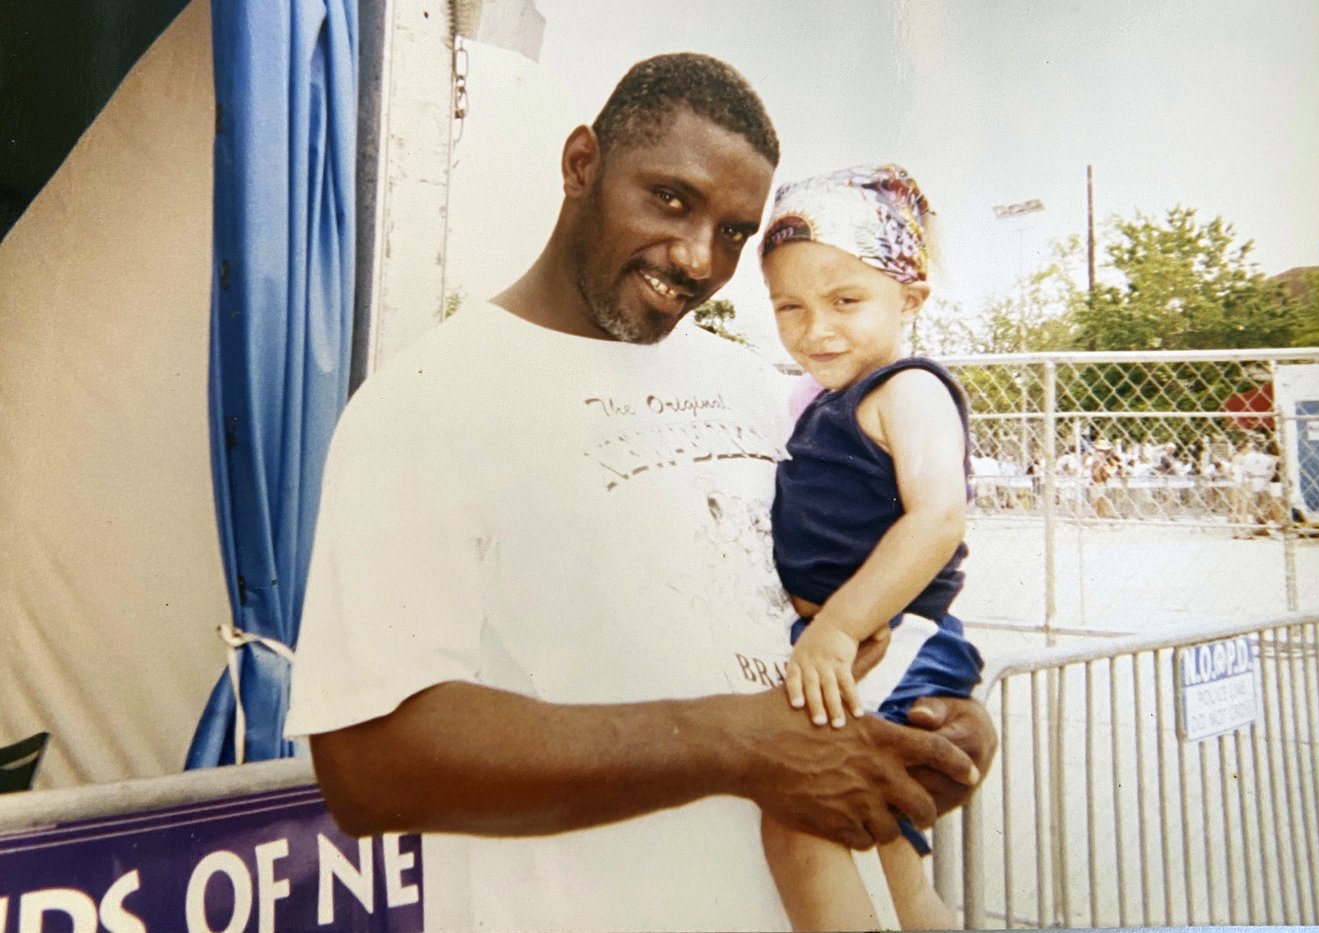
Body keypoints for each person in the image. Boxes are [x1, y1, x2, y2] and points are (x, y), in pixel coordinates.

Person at [285, 53, 996, 932]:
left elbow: (818, 602)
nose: (699, 258)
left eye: (736, 232)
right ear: (582, 163)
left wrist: (940, 722)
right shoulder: (427, 399)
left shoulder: (753, 385)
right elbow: (369, 765)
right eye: (671, 199)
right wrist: (740, 746)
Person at [756, 165, 981, 931]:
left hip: (892, 637)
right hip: (847, 645)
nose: (816, 328)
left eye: (846, 300)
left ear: (908, 299)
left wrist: (840, 625)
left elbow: (937, 517)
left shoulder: (907, 390)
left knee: (803, 821)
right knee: (887, 859)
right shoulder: (818, 401)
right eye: (790, 306)